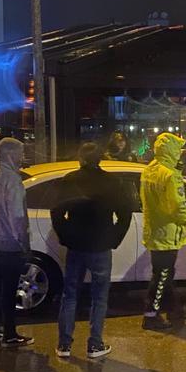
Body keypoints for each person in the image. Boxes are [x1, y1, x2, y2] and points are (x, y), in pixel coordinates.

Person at [51, 143, 132, 358]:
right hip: (100, 245)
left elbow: (57, 211)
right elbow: (125, 213)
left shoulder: (71, 179)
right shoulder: (111, 181)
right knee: (99, 297)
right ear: (100, 159)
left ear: (81, 158)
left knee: (70, 294)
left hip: (76, 246)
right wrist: (113, 238)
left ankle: (64, 344)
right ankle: (95, 344)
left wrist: (66, 235)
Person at [0, 137, 35, 348]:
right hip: (9, 243)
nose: (22, 158)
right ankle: (10, 334)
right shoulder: (11, 180)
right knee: (9, 291)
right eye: (20, 153)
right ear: (10, 154)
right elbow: (17, 217)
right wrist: (24, 243)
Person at [140, 132, 186, 331]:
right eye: (178, 150)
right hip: (168, 232)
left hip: (153, 230)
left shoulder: (150, 170)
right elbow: (177, 206)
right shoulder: (170, 175)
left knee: (164, 272)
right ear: (171, 151)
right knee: (162, 275)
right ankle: (150, 315)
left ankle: (174, 307)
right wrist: (185, 220)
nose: (180, 153)